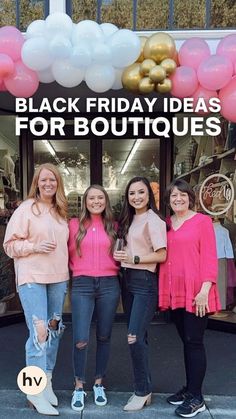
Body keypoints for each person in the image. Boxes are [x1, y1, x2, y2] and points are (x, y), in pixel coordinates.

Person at [3, 163, 69, 416]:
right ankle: (34, 390)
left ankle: (47, 383)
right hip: (32, 277)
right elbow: (9, 245)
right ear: (36, 183)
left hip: (58, 278)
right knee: (39, 333)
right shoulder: (25, 209)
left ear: (58, 183)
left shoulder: (60, 211)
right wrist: (34, 246)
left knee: (54, 331)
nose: (48, 184)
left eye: (52, 179)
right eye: (43, 180)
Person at [159, 179, 221, 418]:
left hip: (197, 293)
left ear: (190, 198)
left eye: (182, 195)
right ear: (168, 201)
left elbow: (209, 257)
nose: (178, 199)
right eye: (173, 196)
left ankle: (197, 397)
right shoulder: (166, 224)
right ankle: (189, 388)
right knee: (186, 340)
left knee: (194, 341)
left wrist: (205, 290)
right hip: (176, 291)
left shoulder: (203, 222)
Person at [114, 176, 167, 411]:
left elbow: (162, 254)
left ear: (149, 195)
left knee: (133, 337)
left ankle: (142, 390)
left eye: (141, 193)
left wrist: (134, 258)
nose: (136, 197)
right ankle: (145, 388)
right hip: (127, 280)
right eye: (132, 193)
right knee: (139, 337)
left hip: (144, 281)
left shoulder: (154, 220)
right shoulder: (129, 219)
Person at [68, 184, 120, 412]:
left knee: (104, 335)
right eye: (91, 198)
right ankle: (79, 385)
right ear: (85, 202)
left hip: (109, 284)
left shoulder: (114, 226)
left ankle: (99, 383)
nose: (96, 201)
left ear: (106, 201)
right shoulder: (73, 225)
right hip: (82, 284)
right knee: (80, 337)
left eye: (100, 198)